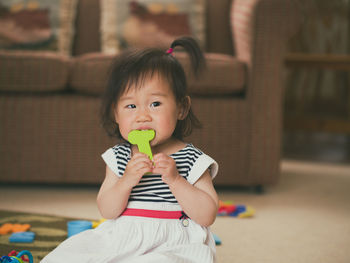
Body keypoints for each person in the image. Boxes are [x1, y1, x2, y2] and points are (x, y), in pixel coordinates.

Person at [41, 36, 219, 263]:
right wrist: (126, 181)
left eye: (155, 104)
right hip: (121, 238)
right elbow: (107, 210)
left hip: (172, 242)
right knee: (68, 255)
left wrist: (176, 180)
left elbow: (207, 215)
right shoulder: (119, 158)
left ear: (181, 108)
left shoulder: (193, 159)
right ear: (116, 114)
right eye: (130, 106)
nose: (142, 116)